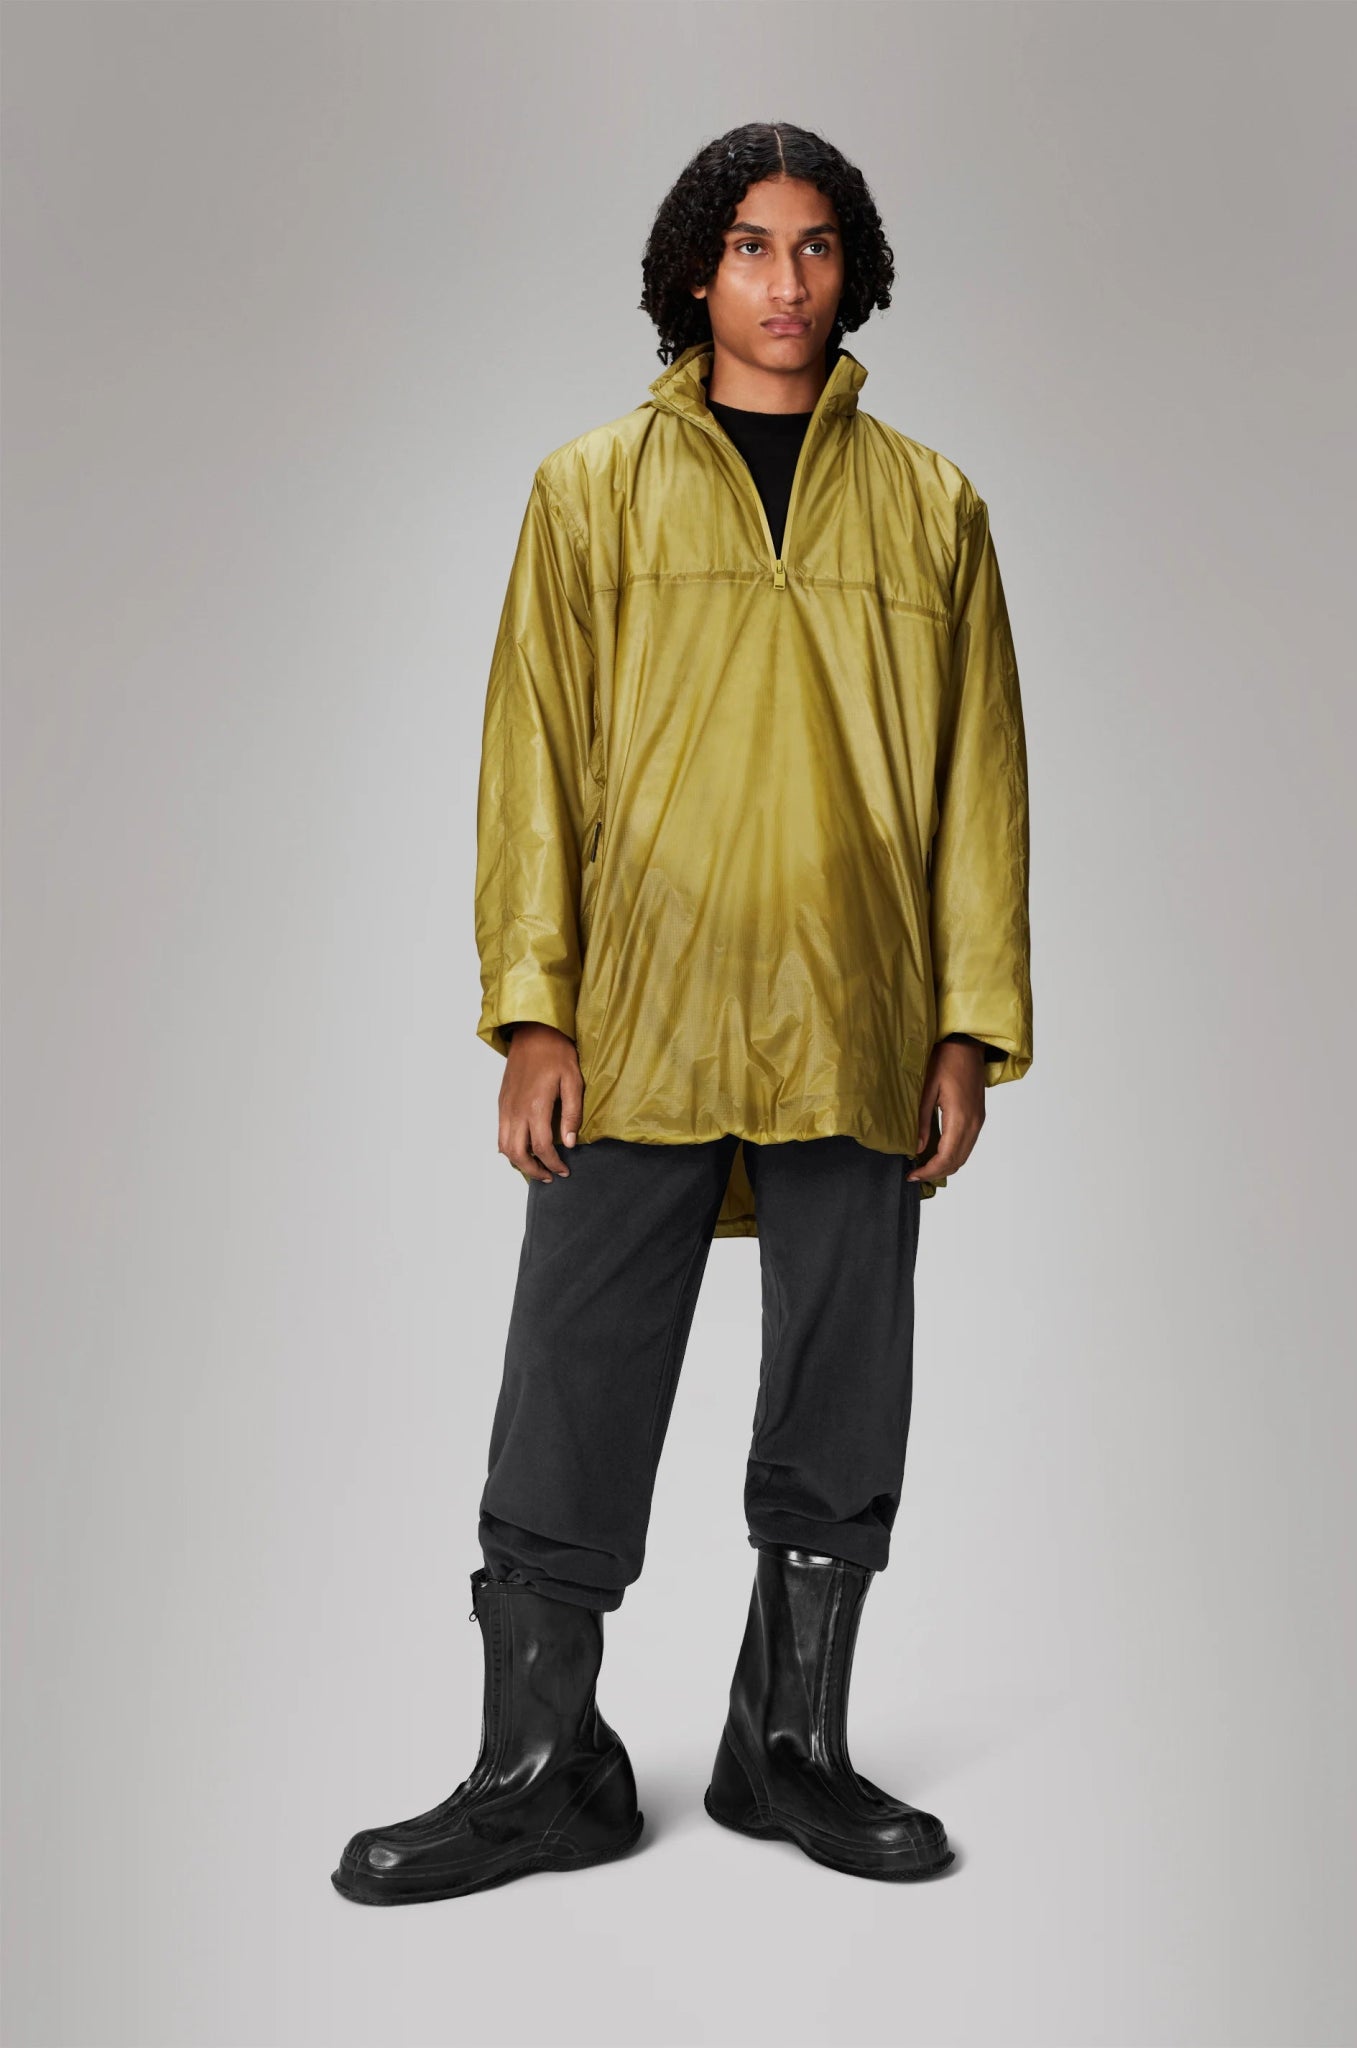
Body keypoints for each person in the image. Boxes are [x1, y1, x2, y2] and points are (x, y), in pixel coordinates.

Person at [332, 119, 1032, 1905]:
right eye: (748, 247)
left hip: (859, 1011)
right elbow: (531, 761)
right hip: (640, 1006)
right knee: (573, 1368)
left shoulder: (934, 509)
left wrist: (963, 1024)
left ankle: (784, 1746)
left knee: (843, 1372)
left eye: (814, 246)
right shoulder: (589, 492)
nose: (784, 283)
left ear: (853, 269)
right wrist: (531, 1009)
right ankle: (539, 1765)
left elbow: (979, 787)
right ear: (692, 271)